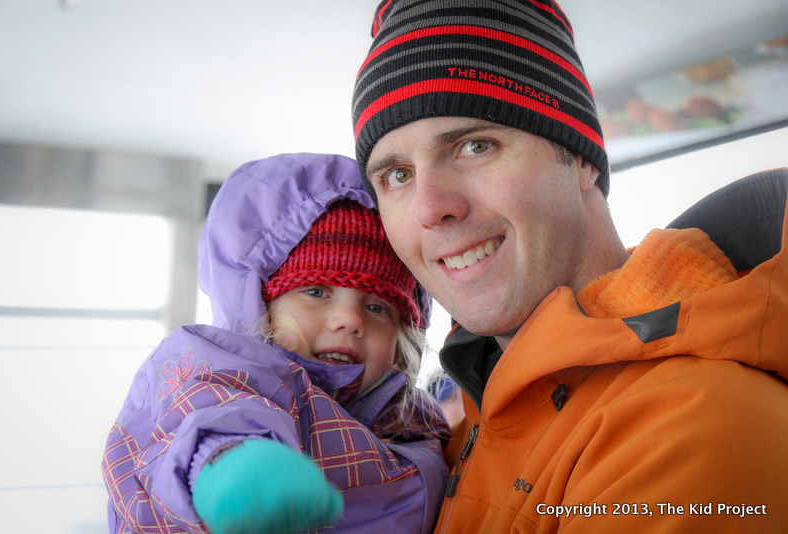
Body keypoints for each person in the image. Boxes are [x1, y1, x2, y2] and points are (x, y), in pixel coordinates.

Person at [350, 0, 788, 531]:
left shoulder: (690, 420)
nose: (429, 208)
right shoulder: (473, 417)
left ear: (579, 157)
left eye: (475, 145)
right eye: (396, 176)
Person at [102, 153, 450, 534]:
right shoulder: (235, 375)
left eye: (377, 306)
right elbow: (209, 420)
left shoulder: (414, 421)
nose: (350, 320)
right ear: (260, 304)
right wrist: (236, 467)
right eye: (316, 291)